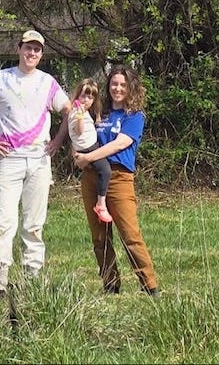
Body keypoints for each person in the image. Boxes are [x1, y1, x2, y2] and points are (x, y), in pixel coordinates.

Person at [0, 29, 70, 295]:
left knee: (34, 224)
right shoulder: (0, 78)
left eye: (37, 49)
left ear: (41, 54)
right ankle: (0, 282)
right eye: (28, 48)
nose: (32, 53)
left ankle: (31, 281)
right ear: (19, 49)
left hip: (39, 161)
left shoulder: (48, 83)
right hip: (8, 160)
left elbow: (71, 110)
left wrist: (57, 141)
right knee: (4, 222)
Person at [72, 63, 158, 296]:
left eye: (122, 85)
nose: (117, 89)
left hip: (119, 178)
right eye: (113, 84)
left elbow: (119, 143)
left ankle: (150, 286)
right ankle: (111, 285)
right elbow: (81, 132)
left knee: (130, 235)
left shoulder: (134, 116)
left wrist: (89, 156)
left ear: (131, 88)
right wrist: (77, 151)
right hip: (92, 176)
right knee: (100, 237)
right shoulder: (101, 112)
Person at [67, 78, 112, 223]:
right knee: (105, 170)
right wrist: (80, 116)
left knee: (101, 170)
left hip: (90, 146)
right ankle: (101, 204)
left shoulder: (84, 112)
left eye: (90, 97)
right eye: (83, 96)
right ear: (77, 96)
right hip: (88, 149)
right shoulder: (76, 113)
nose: (86, 100)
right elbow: (79, 131)